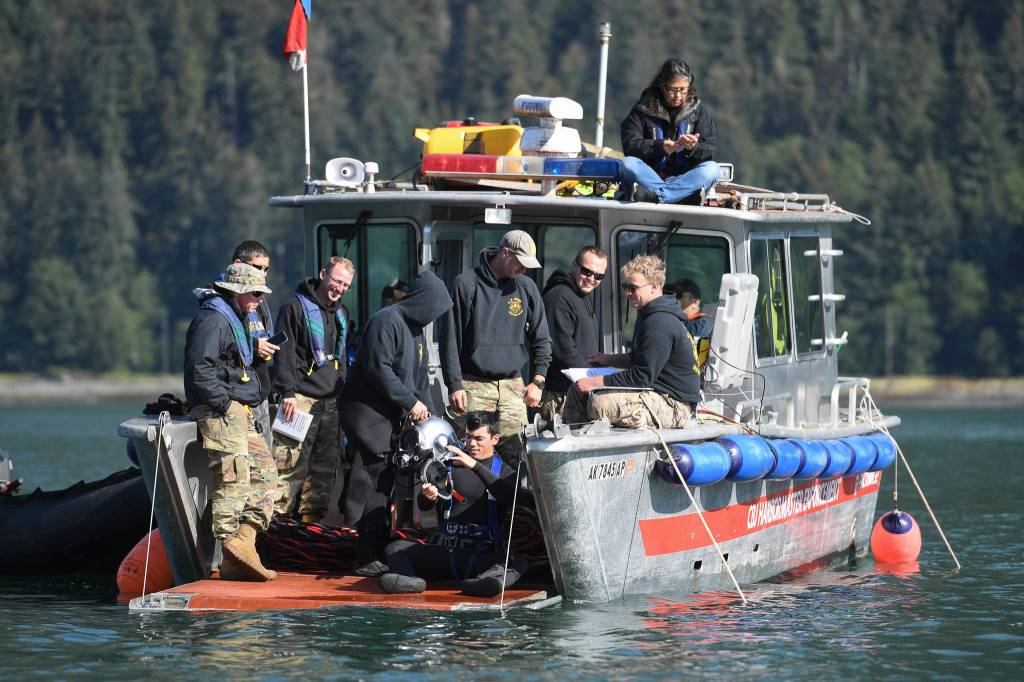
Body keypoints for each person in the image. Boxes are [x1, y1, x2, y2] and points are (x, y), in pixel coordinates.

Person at [339, 271, 453, 575]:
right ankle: (364, 556)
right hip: (366, 413)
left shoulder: (416, 332)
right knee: (373, 477)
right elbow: (379, 369)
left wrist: (430, 414)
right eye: (434, 309)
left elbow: (420, 379)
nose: (433, 316)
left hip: (392, 416)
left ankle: (379, 546)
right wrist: (410, 402)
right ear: (422, 301)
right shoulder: (386, 321)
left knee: (389, 478)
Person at [183, 263, 278, 581]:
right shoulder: (212, 321)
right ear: (236, 291)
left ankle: (244, 543)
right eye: (254, 294)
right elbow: (200, 370)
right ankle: (225, 555)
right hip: (219, 411)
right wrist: (225, 405)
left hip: (238, 409)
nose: (259, 301)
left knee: (266, 473)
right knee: (233, 480)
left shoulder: (233, 318)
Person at [379, 411, 528, 596]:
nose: (472, 444)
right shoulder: (447, 466)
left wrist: (474, 465)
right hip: (445, 552)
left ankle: (486, 583)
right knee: (395, 548)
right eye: (468, 437)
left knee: (516, 561)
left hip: (480, 556)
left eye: (479, 438)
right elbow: (424, 506)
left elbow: (513, 498)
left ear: (495, 439)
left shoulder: (506, 473)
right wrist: (428, 497)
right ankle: (409, 581)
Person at [439, 230, 552, 467]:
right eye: (521, 263)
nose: (524, 269)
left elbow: (541, 338)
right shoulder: (466, 284)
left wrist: (538, 380)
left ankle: (513, 505)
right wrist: (454, 384)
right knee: (472, 457)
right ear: (505, 253)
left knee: (517, 459)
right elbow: (450, 339)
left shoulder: (527, 287)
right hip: (474, 385)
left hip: (513, 386)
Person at [567, 255, 700, 429]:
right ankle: (573, 437)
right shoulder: (650, 315)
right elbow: (640, 358)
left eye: (633, 288)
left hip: (675, 405)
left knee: (601, 402)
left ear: (654, 286)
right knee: (577, 388)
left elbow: (641, 376)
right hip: (657, 393)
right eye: (625, 287)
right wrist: (608, 359)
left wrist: (595, 381)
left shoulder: (659, 323)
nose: (627, 293)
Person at [270, 256, 353, 524]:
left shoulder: (343, 314)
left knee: (324, 469)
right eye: (336, 281)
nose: (339, 288)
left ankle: (310, 525)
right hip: (300, 400)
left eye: (346, 285)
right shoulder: (292, 309)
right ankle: (277, 525)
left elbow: (341, 361)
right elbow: (282, 353)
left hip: (332, 402)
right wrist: (287, 393)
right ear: (322, 274)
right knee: (289, 465)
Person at [619, 58, 720, 205]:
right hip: (651, 177)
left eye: (683, 90)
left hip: (684, 178)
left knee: (713, 169)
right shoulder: (642, 109)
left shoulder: (698, 112)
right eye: (673, 90)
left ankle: (657, 197)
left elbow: (709, 149)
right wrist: (661, 147)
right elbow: (630, 145)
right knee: (627, 164)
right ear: (662, 86)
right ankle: (680, 196)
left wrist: (693, 148)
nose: (678, 96)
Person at [539, 246, 608, 421]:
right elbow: (562, 347)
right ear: (574, 266)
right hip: (559, 397)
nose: (592, 279)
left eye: (599, 276)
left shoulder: (581, 296)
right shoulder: (559, 296)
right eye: (587, 272)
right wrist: (593, 377)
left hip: (578, 392)